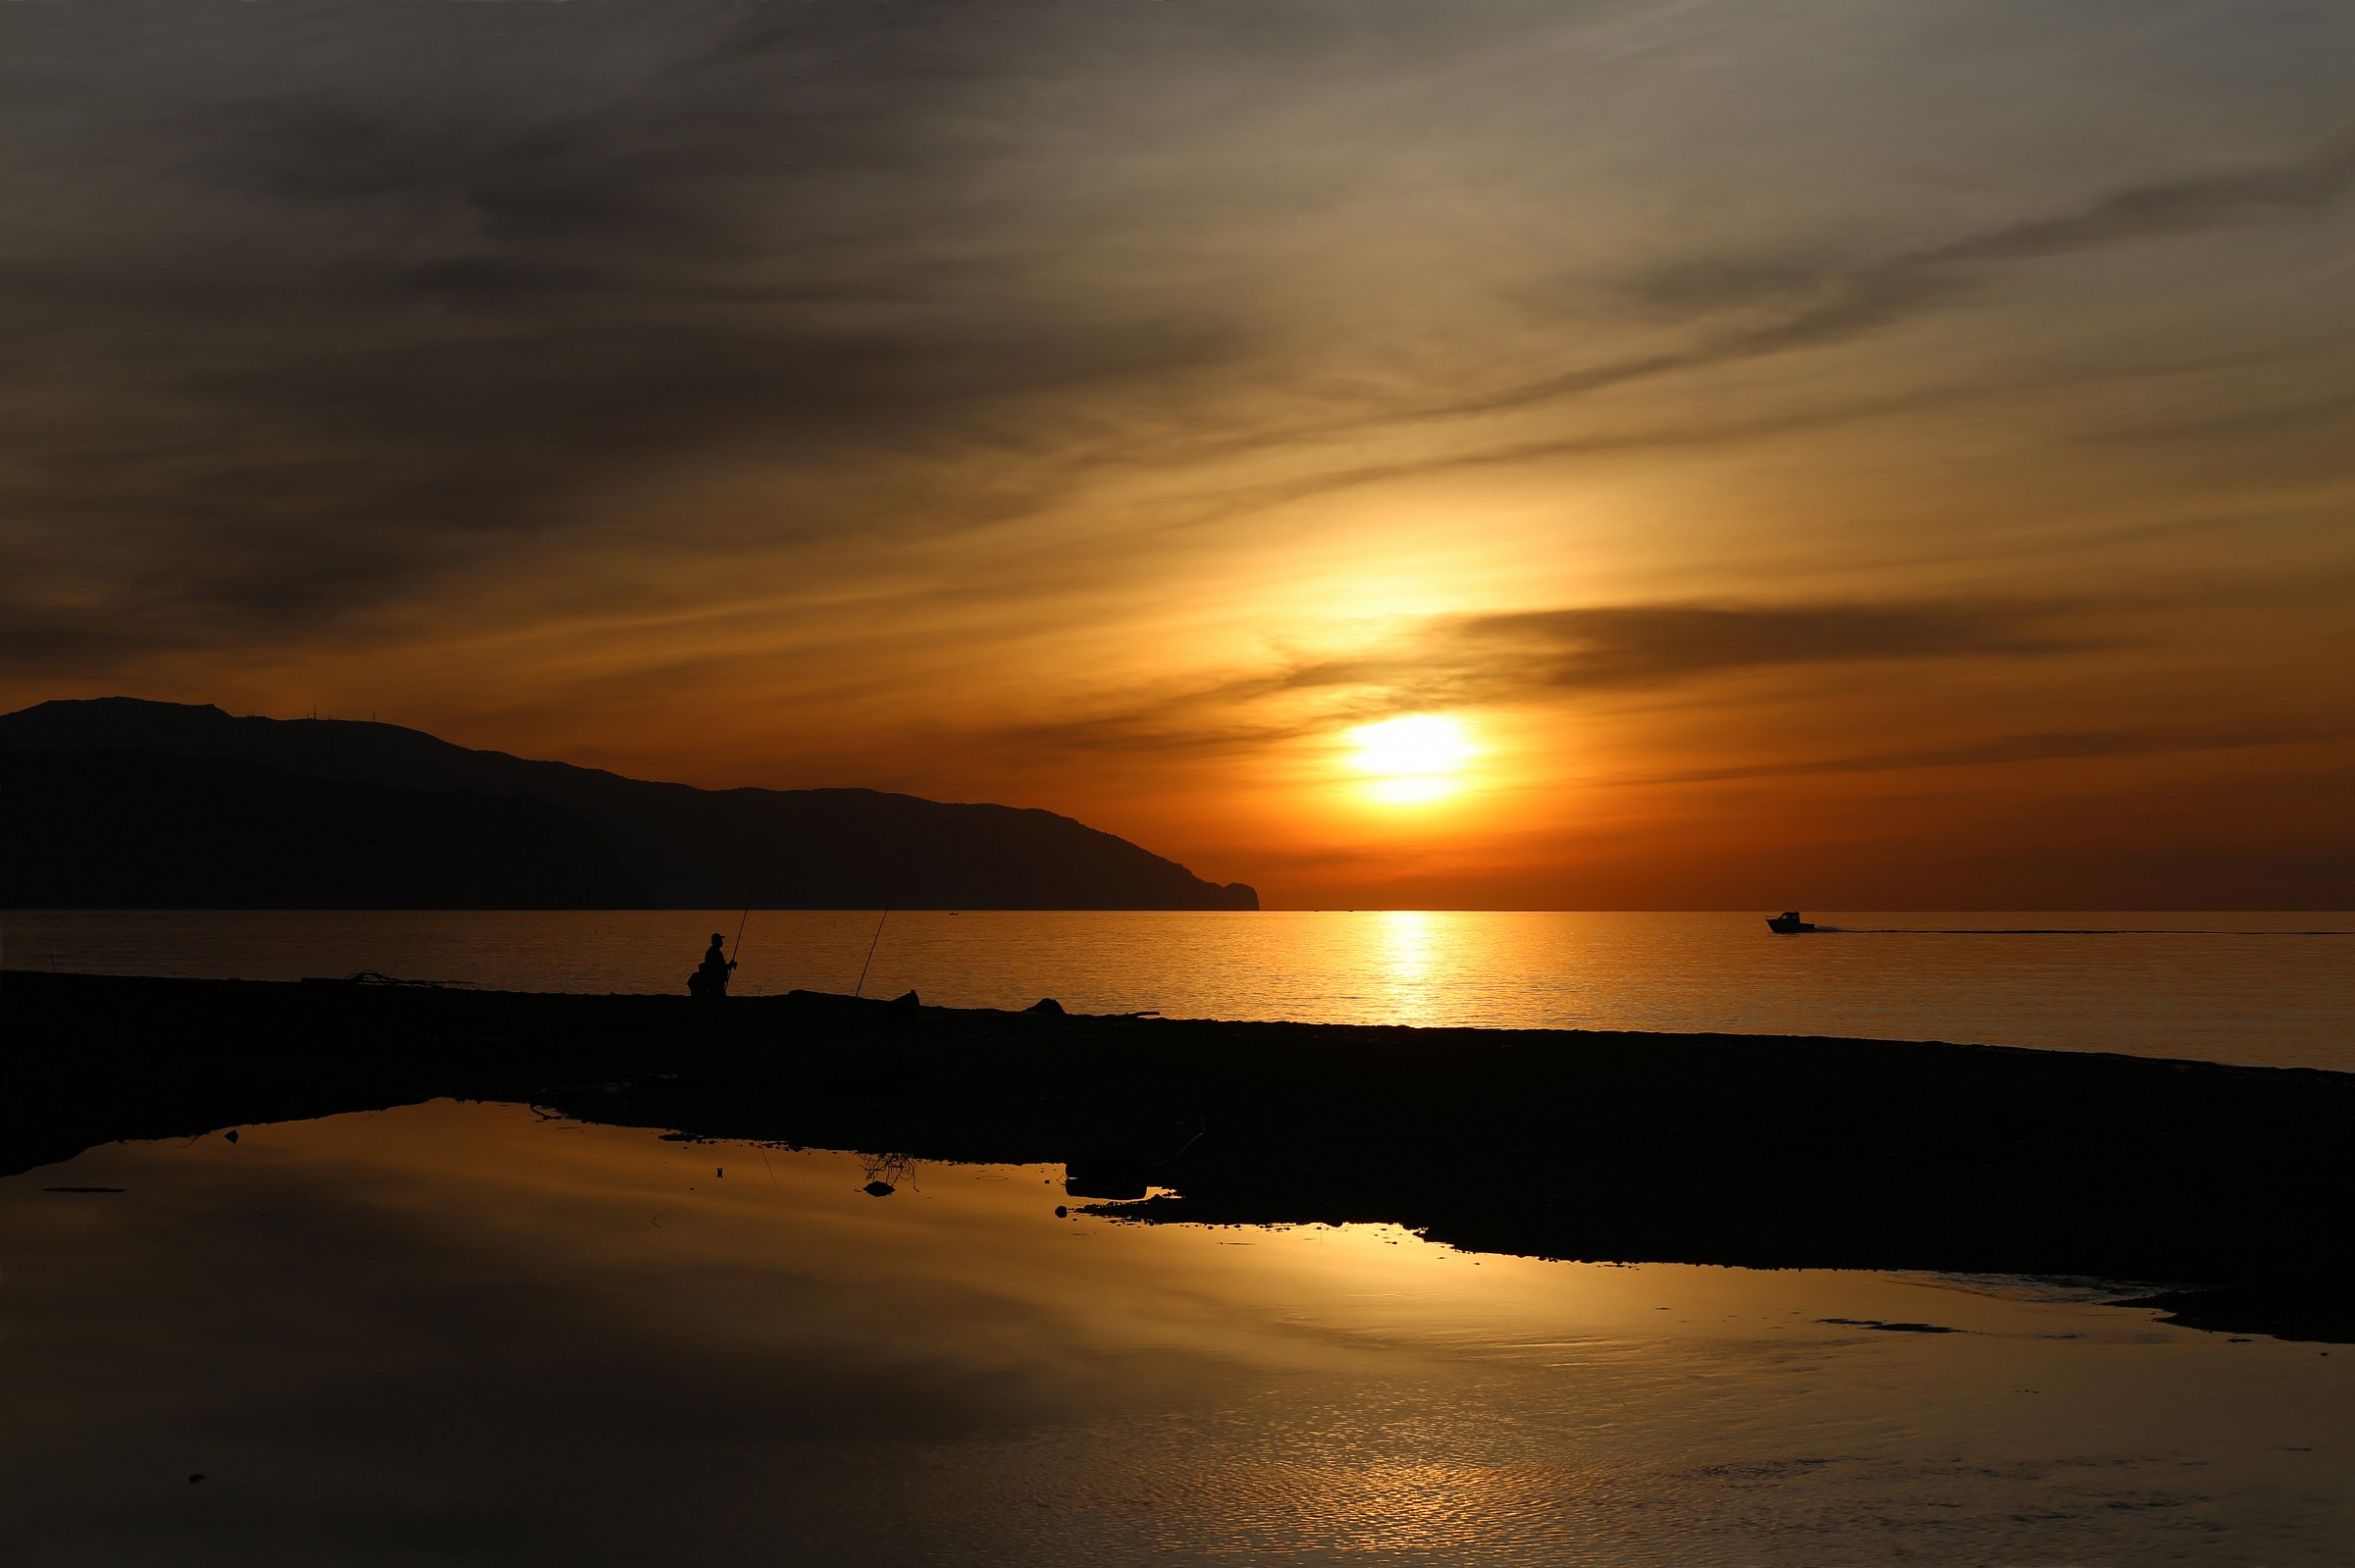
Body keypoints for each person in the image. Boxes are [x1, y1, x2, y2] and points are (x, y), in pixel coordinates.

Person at [688, 932, 736, 1000]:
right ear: (716, 941)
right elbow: (722, 968)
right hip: (716, 982)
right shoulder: (717, 953)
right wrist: (731, 965)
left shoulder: (709, 951)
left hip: (710, 979)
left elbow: (718, 966)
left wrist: (730, 965)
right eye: (720, 940)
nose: (722, 941)